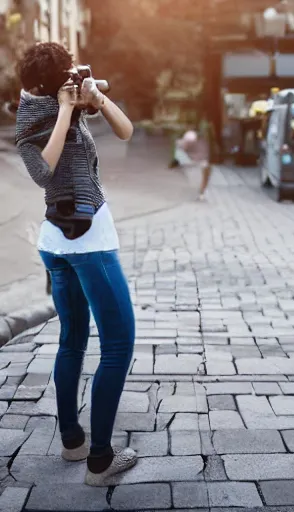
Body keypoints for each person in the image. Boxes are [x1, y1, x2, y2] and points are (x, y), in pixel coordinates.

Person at [15, 42, 136, 486]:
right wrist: (65, 111)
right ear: (51, 86)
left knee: (74, 340)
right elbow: (44, 173)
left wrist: (95, 97)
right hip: (87, 243)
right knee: (119, 344)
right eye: (66, 72)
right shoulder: (31, 126)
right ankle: (100, 462)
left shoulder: (58, 103)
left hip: (58, 246)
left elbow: (125, 131)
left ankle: (73, 443)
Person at [176, 119, 213, 201]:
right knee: (204, 176)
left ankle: (200, 193)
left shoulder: (190, 135)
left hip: (196, 160)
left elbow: (183, 147)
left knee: (202, 176)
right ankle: (201, 193)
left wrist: (179, 143)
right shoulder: (201, 136)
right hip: (201, 159)